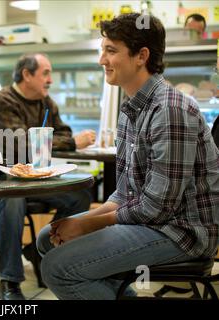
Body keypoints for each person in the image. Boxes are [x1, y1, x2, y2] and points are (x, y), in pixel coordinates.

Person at [36, 12, 219, 300]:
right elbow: (125, 192)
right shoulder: (131, 109)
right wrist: (83, 221)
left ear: (141, 56)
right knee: (48, 237)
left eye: (111, 51)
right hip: (152, 222)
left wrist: (86, 223)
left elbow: (157, 207)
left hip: (179, 233)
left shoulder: (169, 110)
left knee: (57, 268)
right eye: (102, 50)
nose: (101, 61)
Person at [0, 53, 96, 300]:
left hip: (37, 177)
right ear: (27, 74)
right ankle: (9, 281)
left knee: (80, 194)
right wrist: (71, 142)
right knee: (13, 200)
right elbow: (18, 144)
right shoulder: (2, 101)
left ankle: (39, 251)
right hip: (4, 179)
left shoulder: (47, 103)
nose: (51, 80)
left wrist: (62, 140)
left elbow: (62, 132)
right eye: (45, 73)